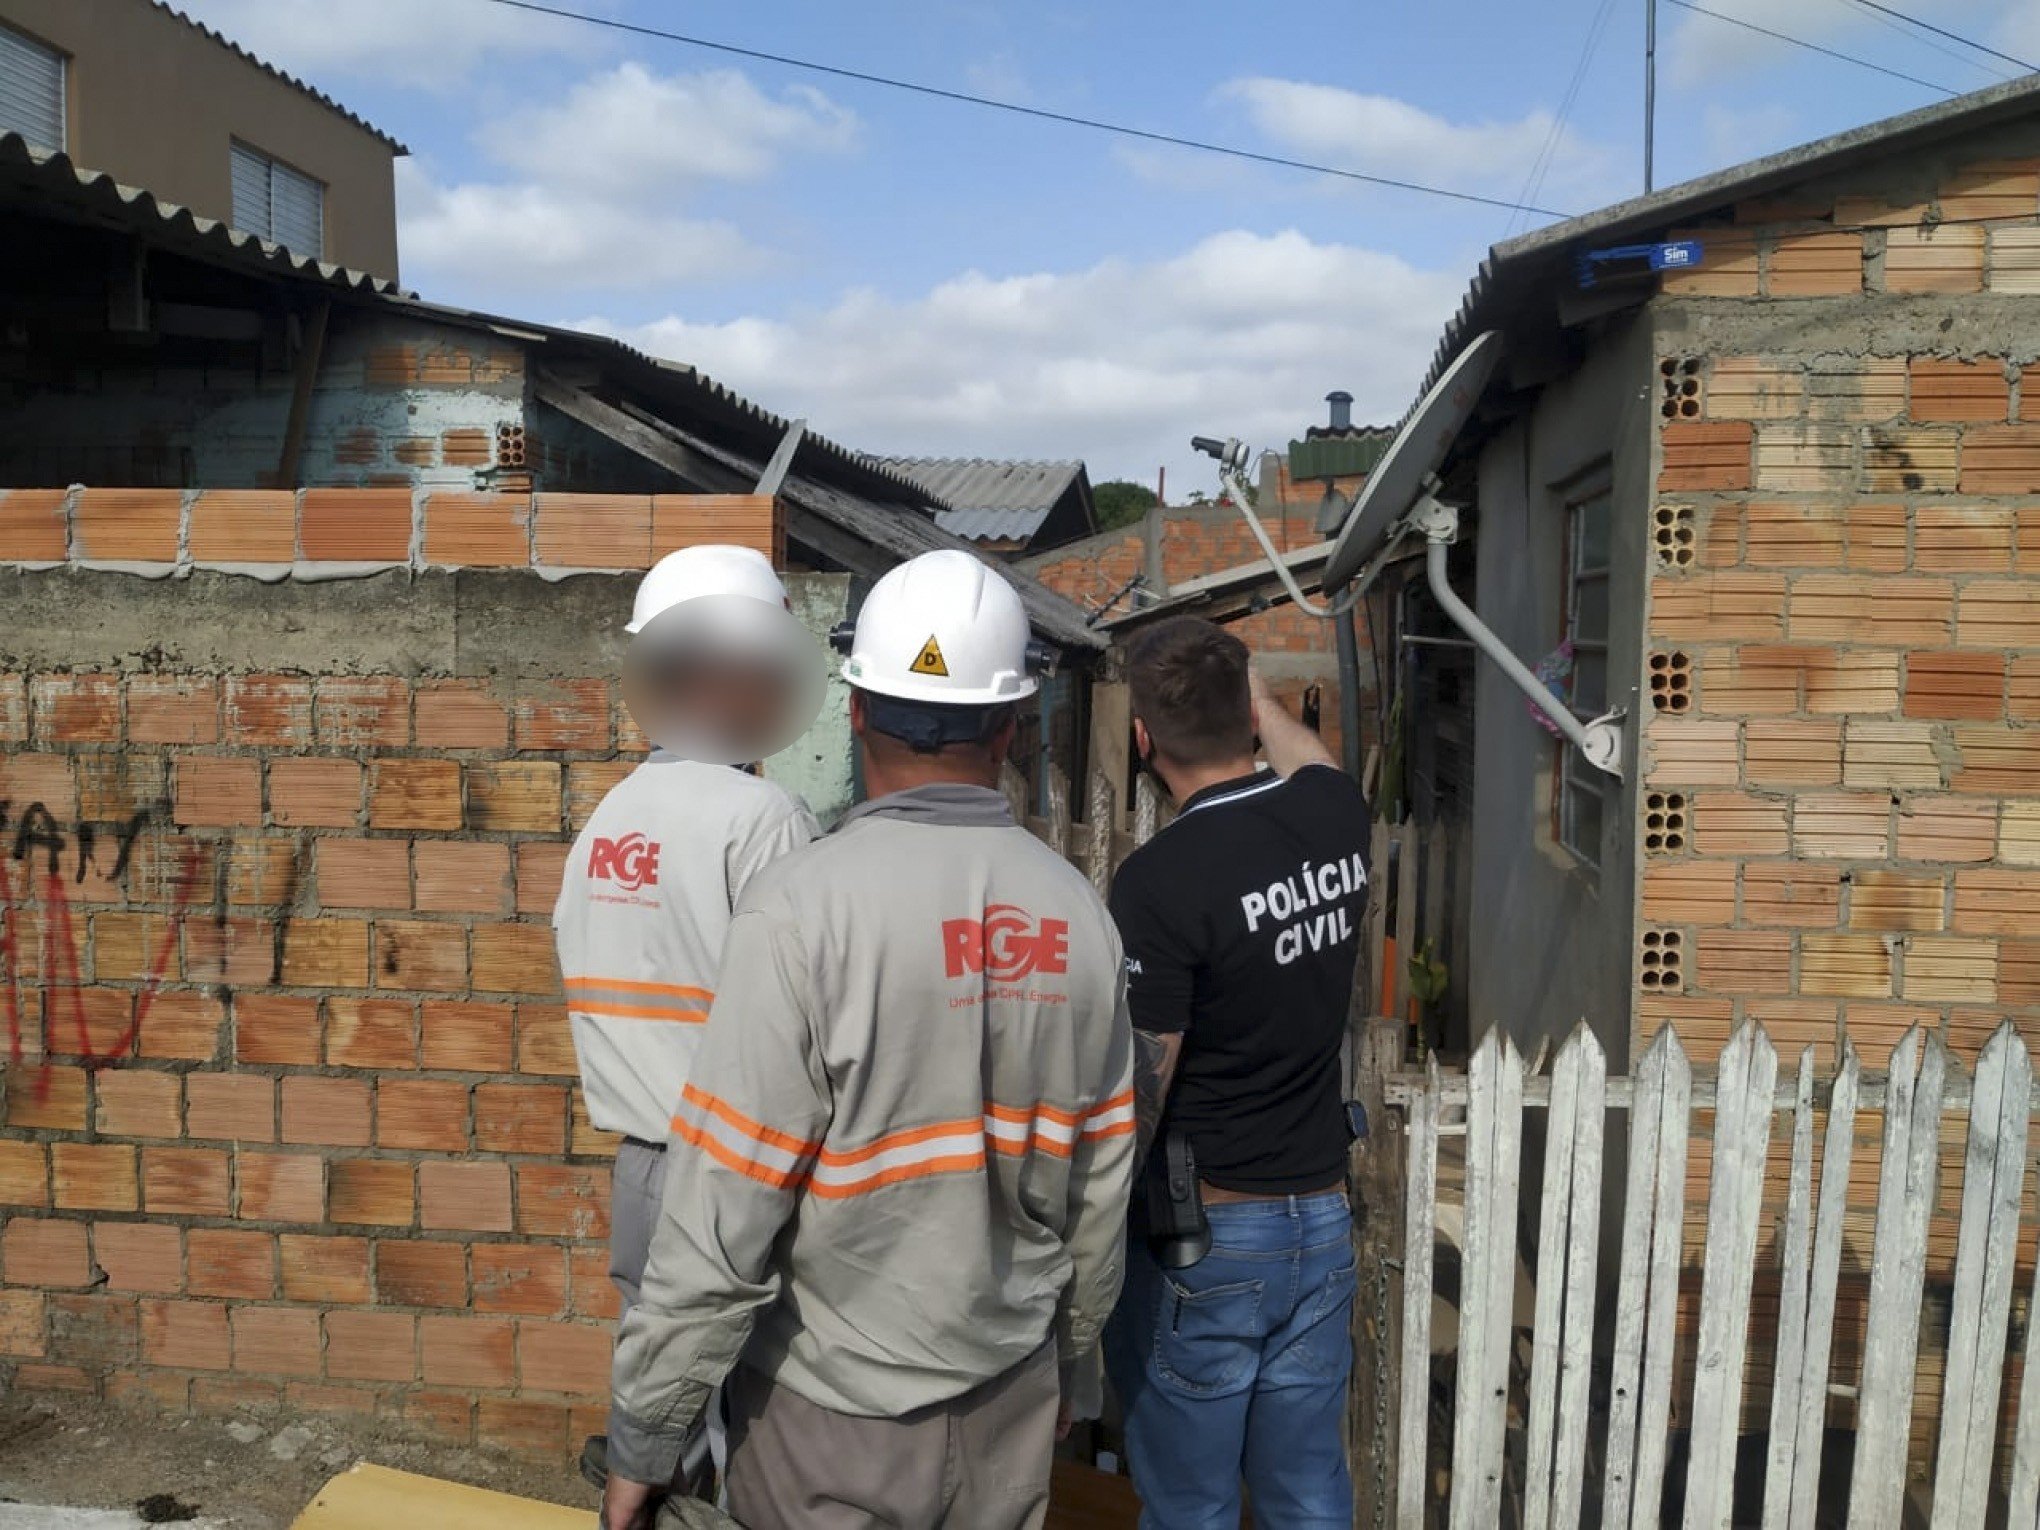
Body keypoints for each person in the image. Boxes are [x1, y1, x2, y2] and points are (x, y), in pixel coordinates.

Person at [601, 548, 1136, 1530]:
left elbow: (722, 1207)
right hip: (1010, 1402)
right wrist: (1075, 1370)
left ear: (854, 708)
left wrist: (646, 1437)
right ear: (1011, 725)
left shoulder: (801, 911)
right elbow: (1100, 1191)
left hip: (827, 1419)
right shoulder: (1081, 918)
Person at [554, 544, 822, 1498]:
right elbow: (808, 1014)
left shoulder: (614, 815)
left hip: (644, 1164)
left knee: (657, 1411)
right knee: (733, 1430)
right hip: (734, 1170)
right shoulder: (763, 818)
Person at [1102, 615, 1371, 1530]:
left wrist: (1093, 1228)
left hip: (1208, 1234)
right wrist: (1254, 700)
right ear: (1250, 717)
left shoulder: (1159, 881)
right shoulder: (1334, 816)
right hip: (1322, 1217)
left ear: (1143, 738)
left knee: (1192, 1506)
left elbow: (1148, 1083)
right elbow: (1317, 759)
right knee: (1306, 1492)